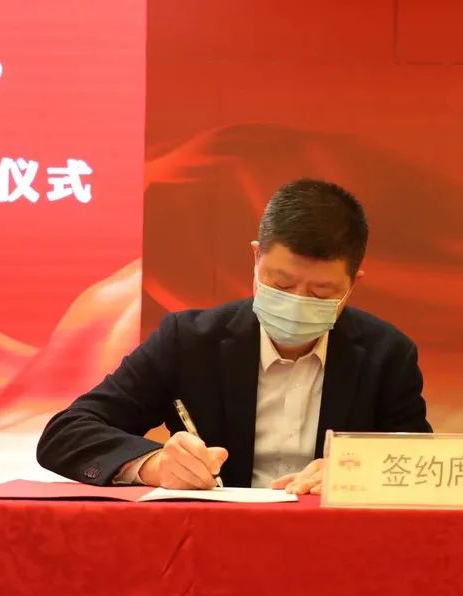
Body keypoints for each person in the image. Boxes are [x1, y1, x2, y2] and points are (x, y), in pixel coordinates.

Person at [37, 178, 431, 495]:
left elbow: (425, 466)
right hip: (212, 543)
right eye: (282, 284)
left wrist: (359, 473)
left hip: (338, 547)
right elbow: (66, 433)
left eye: (321, 293)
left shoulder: (386, 355)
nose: (297, 303)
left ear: (352, 285)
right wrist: (153, 465)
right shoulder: (189, 342)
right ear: (256, 258)